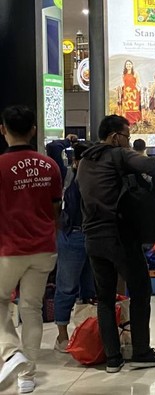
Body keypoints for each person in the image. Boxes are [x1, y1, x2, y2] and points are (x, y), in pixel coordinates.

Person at [78, 115, 155, 374]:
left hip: (92, 238)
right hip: (119, 236)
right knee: (140, 291)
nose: (128, 141)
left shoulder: (84, 161)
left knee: (105, 299)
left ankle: (113, 359)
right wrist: (151, 191)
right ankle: (141, 351)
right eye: (127, 136)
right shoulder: (118, 154)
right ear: (115, 136)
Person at [0, 106, 62, 393]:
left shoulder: (0, 166)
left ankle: (12, 354)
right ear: (33, 130)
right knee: (32, 308)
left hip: (9, 248)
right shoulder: (49, 165)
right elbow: (55, 208)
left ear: (3, 130)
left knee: (2, 303)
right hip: (44, 247)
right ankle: (27, 376)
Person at [53, 142, 96, 353]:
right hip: (72, 235)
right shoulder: (69, 176)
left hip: (93, 236)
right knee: (67, 286)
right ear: (76, 161)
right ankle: (62, 336)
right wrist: (67, 142)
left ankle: (86, 333)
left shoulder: (96, 176)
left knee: (89, 289)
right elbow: (53, 148)